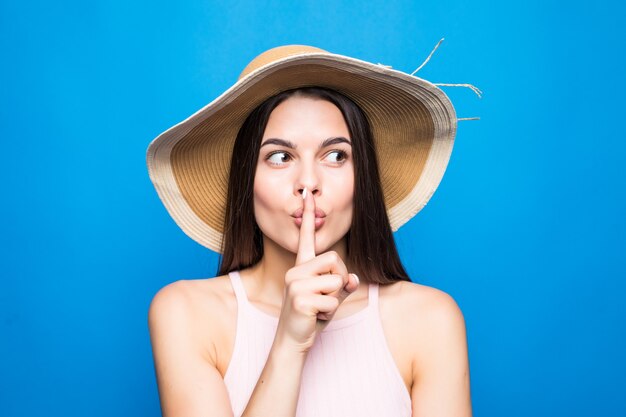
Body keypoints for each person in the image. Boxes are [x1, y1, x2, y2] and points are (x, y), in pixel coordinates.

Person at [146, 45, 472, 417]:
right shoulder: (187, 313)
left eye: (335, 156)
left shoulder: (430, 320)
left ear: (362, 178)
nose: (308, 183)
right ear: (245, 179)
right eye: (280, 157)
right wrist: (289, 343)